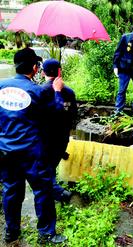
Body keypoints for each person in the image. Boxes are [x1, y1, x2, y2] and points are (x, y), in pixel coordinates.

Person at [0, 48, 67, 244]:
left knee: (11, 192)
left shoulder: (0, 86)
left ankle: (11, 232)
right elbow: (56, 114)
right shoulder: (37, 92)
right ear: (35, 68)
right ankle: (46, 233)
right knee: (43, 191)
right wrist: (56, 92)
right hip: (32, 153)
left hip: (5, 152)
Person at [41, 58, 77, 203]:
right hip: (62, 138)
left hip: (45, 140)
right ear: (59, 71)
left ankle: (58, 193)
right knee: (51, 165)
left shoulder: (39, 91)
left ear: (43, 72)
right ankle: (57, 191)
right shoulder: (69, 92)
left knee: (46, 169)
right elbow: (73, 115)